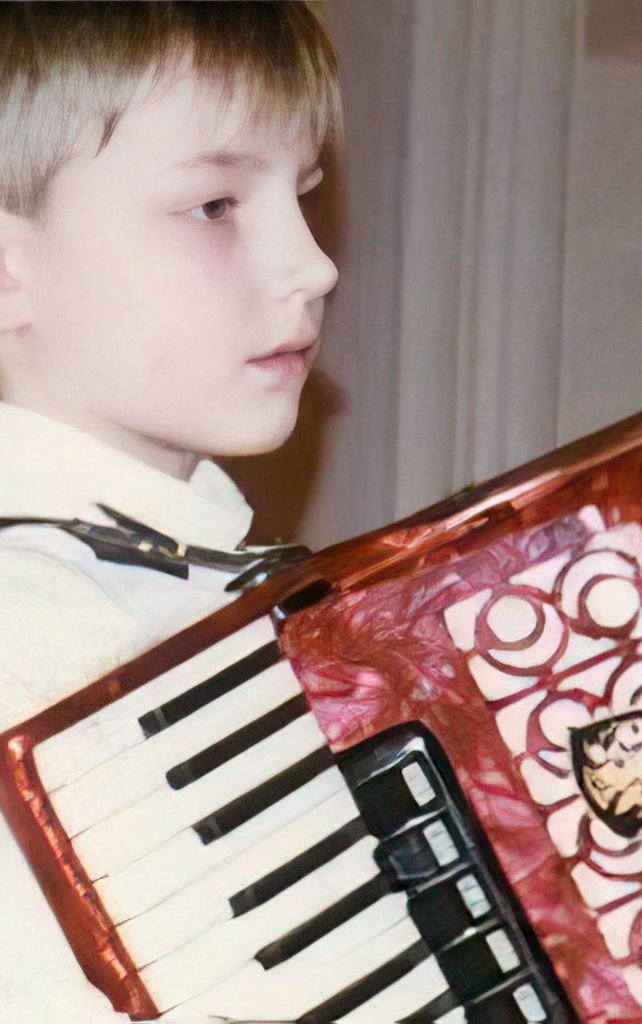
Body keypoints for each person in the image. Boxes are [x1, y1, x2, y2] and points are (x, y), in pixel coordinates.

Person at [0, 2, 340, 1020]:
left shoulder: (213, 582)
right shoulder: (28, 636)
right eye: (215, 205)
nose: (314, 266)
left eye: (304, 194)